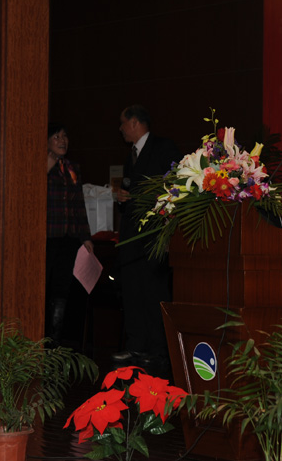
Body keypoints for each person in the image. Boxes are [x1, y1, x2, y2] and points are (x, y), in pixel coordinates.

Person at [115, 105, 183, 375]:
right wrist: (122, 198)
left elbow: (176, 185)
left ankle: (158, 351)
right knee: (133, 293)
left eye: (123, 123)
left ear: (134, 122)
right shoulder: (130, 155)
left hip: (153, 237)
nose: (120, 129)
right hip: (131, 238)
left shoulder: (164, 147)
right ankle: (136, 347)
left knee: (154, 294)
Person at [45, 123, 94, 347]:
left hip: (69, 238)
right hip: (47, 237)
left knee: (62, 290)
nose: (62, 141)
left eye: (64, 136)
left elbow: (79, 205)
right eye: (56, 137)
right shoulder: (40, 165)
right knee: (45, 288)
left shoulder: (72, 168)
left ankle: (55, 341)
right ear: (46, 141)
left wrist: (86, 237)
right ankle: (41, 339)